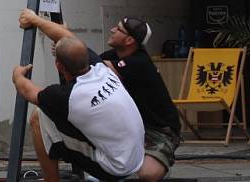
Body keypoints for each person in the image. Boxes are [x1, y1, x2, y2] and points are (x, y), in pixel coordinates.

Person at [14, 9, 145, 182]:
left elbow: (26, 90)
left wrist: (17, 74)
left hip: (116, 168)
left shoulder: (68, 96)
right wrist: (35, 19)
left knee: (39, 117)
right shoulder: (102, 70)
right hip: (136, 156)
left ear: (59, 66)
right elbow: (67, 35)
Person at [101, 17, 181, 182]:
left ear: (129, 40)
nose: (112, 30)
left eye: (118, 29)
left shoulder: (139, 62)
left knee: (148, 175)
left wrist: (66, 41)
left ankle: (158, 157)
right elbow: (86, 62)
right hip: (130, 125)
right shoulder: (114, 55)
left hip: (160, 130)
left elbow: (88, 61)